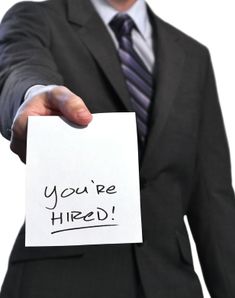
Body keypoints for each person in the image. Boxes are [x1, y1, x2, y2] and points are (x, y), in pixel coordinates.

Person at [0, 0, 235, 297]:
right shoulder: (38, 17)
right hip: (60, 281)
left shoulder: (193, 55)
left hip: (169, 282)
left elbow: (213, 198)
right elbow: (18, 67)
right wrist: (32, 93)